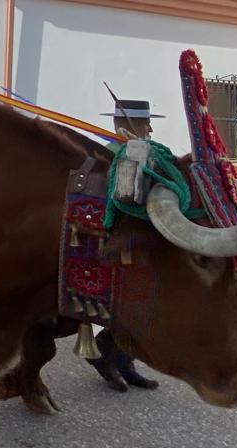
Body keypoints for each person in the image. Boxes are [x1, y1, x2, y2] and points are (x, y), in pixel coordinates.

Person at [87, 98, 163, 392]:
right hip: (120, 243)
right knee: (130, 305)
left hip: (136, 243)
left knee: (137, 307)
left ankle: (122, 362)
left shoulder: (140, 152)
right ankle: (108, 356)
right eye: (146, 124)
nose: (150, 129)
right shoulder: (114, 155)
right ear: (131, 125)